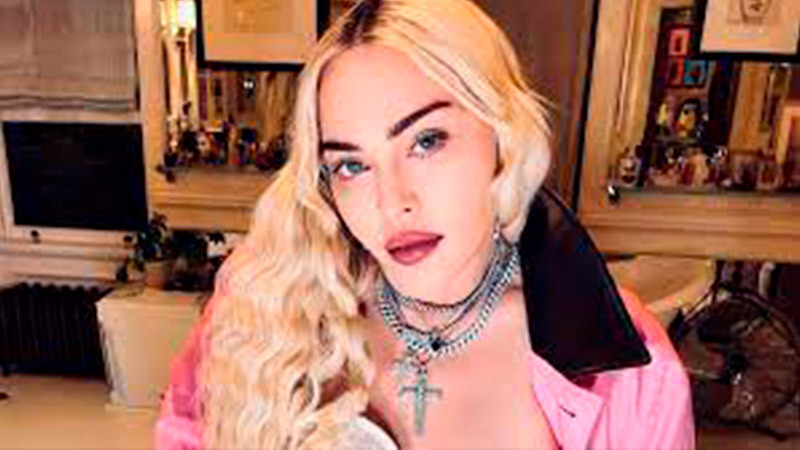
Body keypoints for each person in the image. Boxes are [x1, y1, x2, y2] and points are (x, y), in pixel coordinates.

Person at [155, 0, 695, 448]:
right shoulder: (265, 306)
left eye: (426, 141)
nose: (393, 203)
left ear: (502, 134)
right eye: (351, 165)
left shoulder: (625, 368)